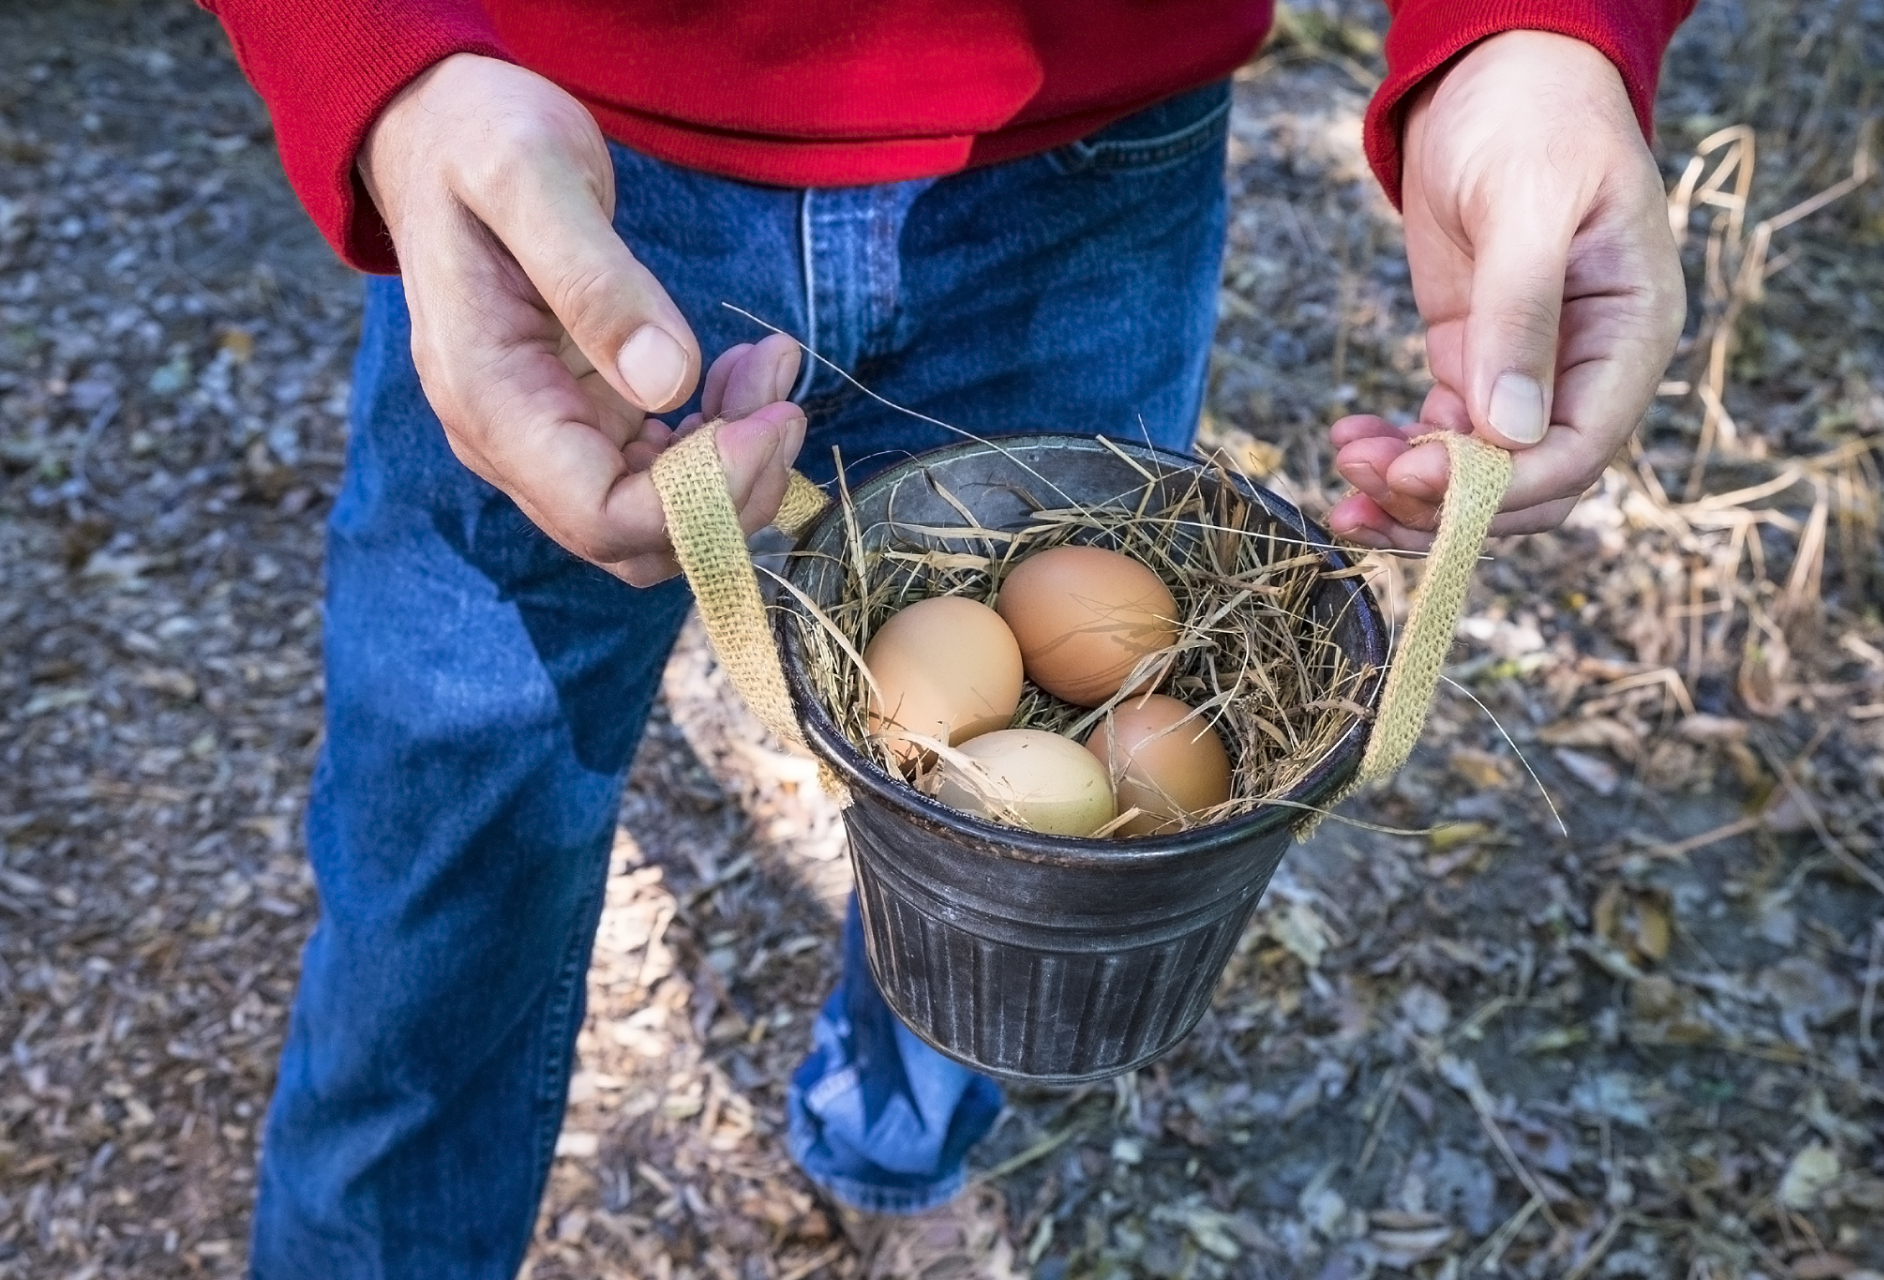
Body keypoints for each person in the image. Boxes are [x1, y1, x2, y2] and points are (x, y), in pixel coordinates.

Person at [198, 0, 1691, 1274]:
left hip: (1091, 163)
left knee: (1031, 874)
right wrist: (383, 64)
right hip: (550, 153)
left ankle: (891, 1157)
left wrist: (1534, 36)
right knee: (442, 867)